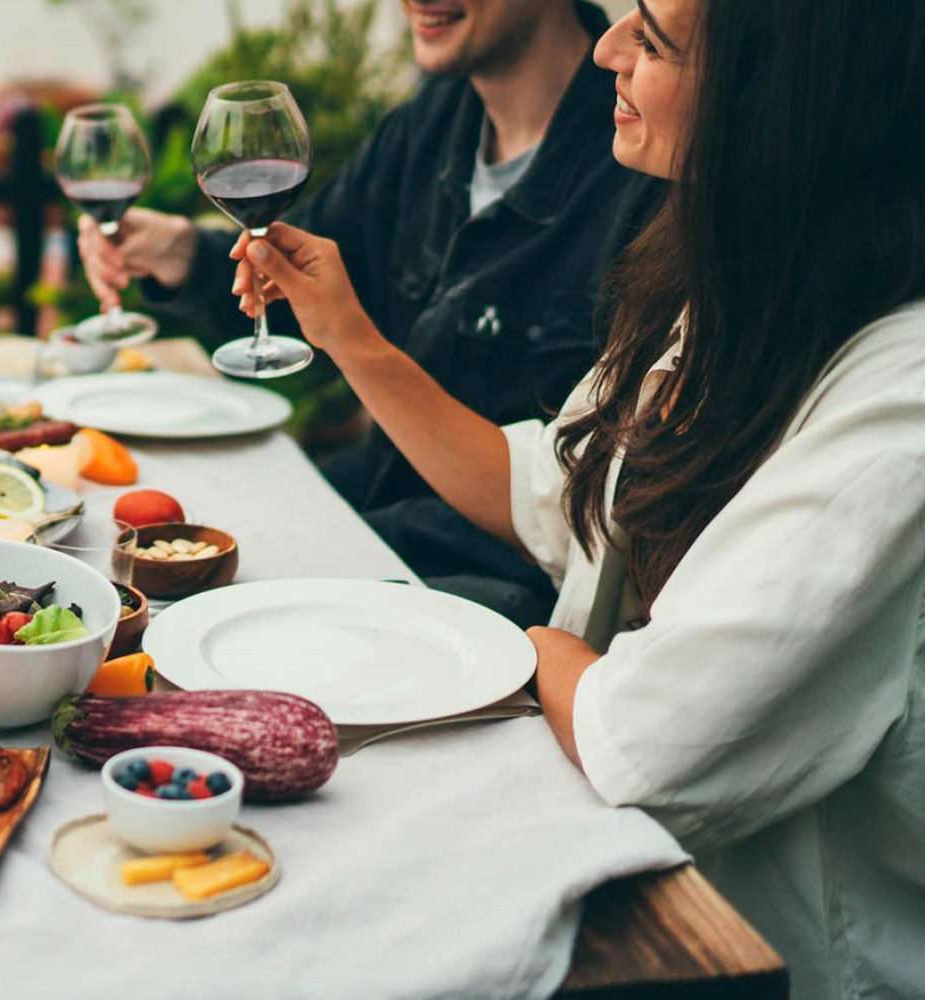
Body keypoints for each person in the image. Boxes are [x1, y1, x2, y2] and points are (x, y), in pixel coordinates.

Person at [238, 0, 925, 994]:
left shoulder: (893, 414)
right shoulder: (743, 295)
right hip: (635, 871)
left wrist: (529, 650)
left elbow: (642, 740)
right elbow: (550, 493)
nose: (605, 46)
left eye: (649, 38)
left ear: (771, 107)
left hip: (752, 955)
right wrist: (346, 333)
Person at [79, 0, 663, 627]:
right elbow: (304, 285)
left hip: (492, 603)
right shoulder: (428, 126)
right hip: (371, 522)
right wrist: (177, 251)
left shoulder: (649, 171)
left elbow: (597, 514)